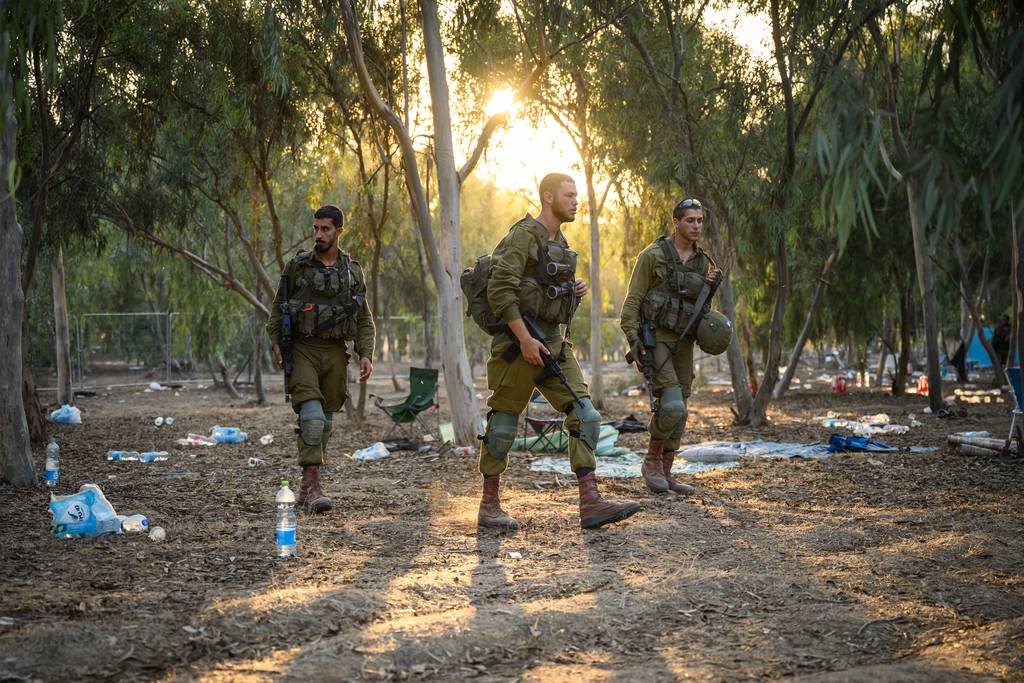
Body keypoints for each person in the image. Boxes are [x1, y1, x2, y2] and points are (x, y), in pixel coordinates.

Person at [477, 173, 641, 530]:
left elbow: (547, 294)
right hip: (516, 346)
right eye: (569, 195)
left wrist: (573, 289)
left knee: (587, 416)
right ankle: (489, 505)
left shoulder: (561, 243)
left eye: (577, 195)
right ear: (548, 197)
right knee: (504, 424)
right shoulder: (523, 235)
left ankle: (590, 502)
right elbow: (500, 291)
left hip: (553, 344)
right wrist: (523, 339)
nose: (575, 201)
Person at [266, 205, 375, 513]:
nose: (318, 235)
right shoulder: (298, 267)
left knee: (324, 422)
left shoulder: (352, 272)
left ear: (339, 232)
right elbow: (278, 308)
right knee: (312, 417)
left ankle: (305, 484)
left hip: (336, 352)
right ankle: (314, 487)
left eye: (325, 229)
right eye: (315, 228)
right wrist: (275, 342)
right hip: (303, 348)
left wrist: (365, 353)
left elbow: (363, 317)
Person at [620, 198, 731, 496]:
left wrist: (712, 286)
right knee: (670, 405)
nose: (696, 226)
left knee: (681, 412)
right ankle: (651, 462)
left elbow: (700, 311)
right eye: (690, 220)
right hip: (656, 338)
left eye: (699, 221)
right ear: (676, 223)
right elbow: (632, 303)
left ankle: (667, 472)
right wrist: (634, 340)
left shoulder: (703, 263)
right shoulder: (652, 256)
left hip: (685, 343)